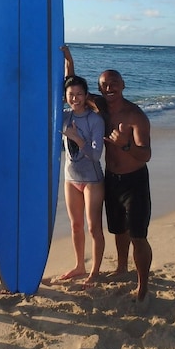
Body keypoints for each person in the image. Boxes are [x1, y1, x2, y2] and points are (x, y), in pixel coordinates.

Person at [62, 46, 153, 303]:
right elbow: (73, 89)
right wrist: (69, 61)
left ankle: (142, 284)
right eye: (104, 84)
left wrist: (125, 144)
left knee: (138, 235)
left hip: (134, 180)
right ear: (100, 89)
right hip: (111, 178)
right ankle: (122, 268)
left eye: (114, 82)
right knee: (118, 231)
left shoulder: (135, 116)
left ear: (123, 84)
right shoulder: (99, 106)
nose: (109, 87)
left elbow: (146, 154)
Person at [58, 73, 106, 286]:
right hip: (70, 178)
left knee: (93, 226)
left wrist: (78, 138)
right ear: (65, 96)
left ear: (86, 96)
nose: (75, 98)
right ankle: (79, 266)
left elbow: (96, 155)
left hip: (92, 180)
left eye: (79, 94)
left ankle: (94, 271)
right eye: (71, 94)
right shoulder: (64, 117)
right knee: (76, 226)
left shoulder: (95, 120)